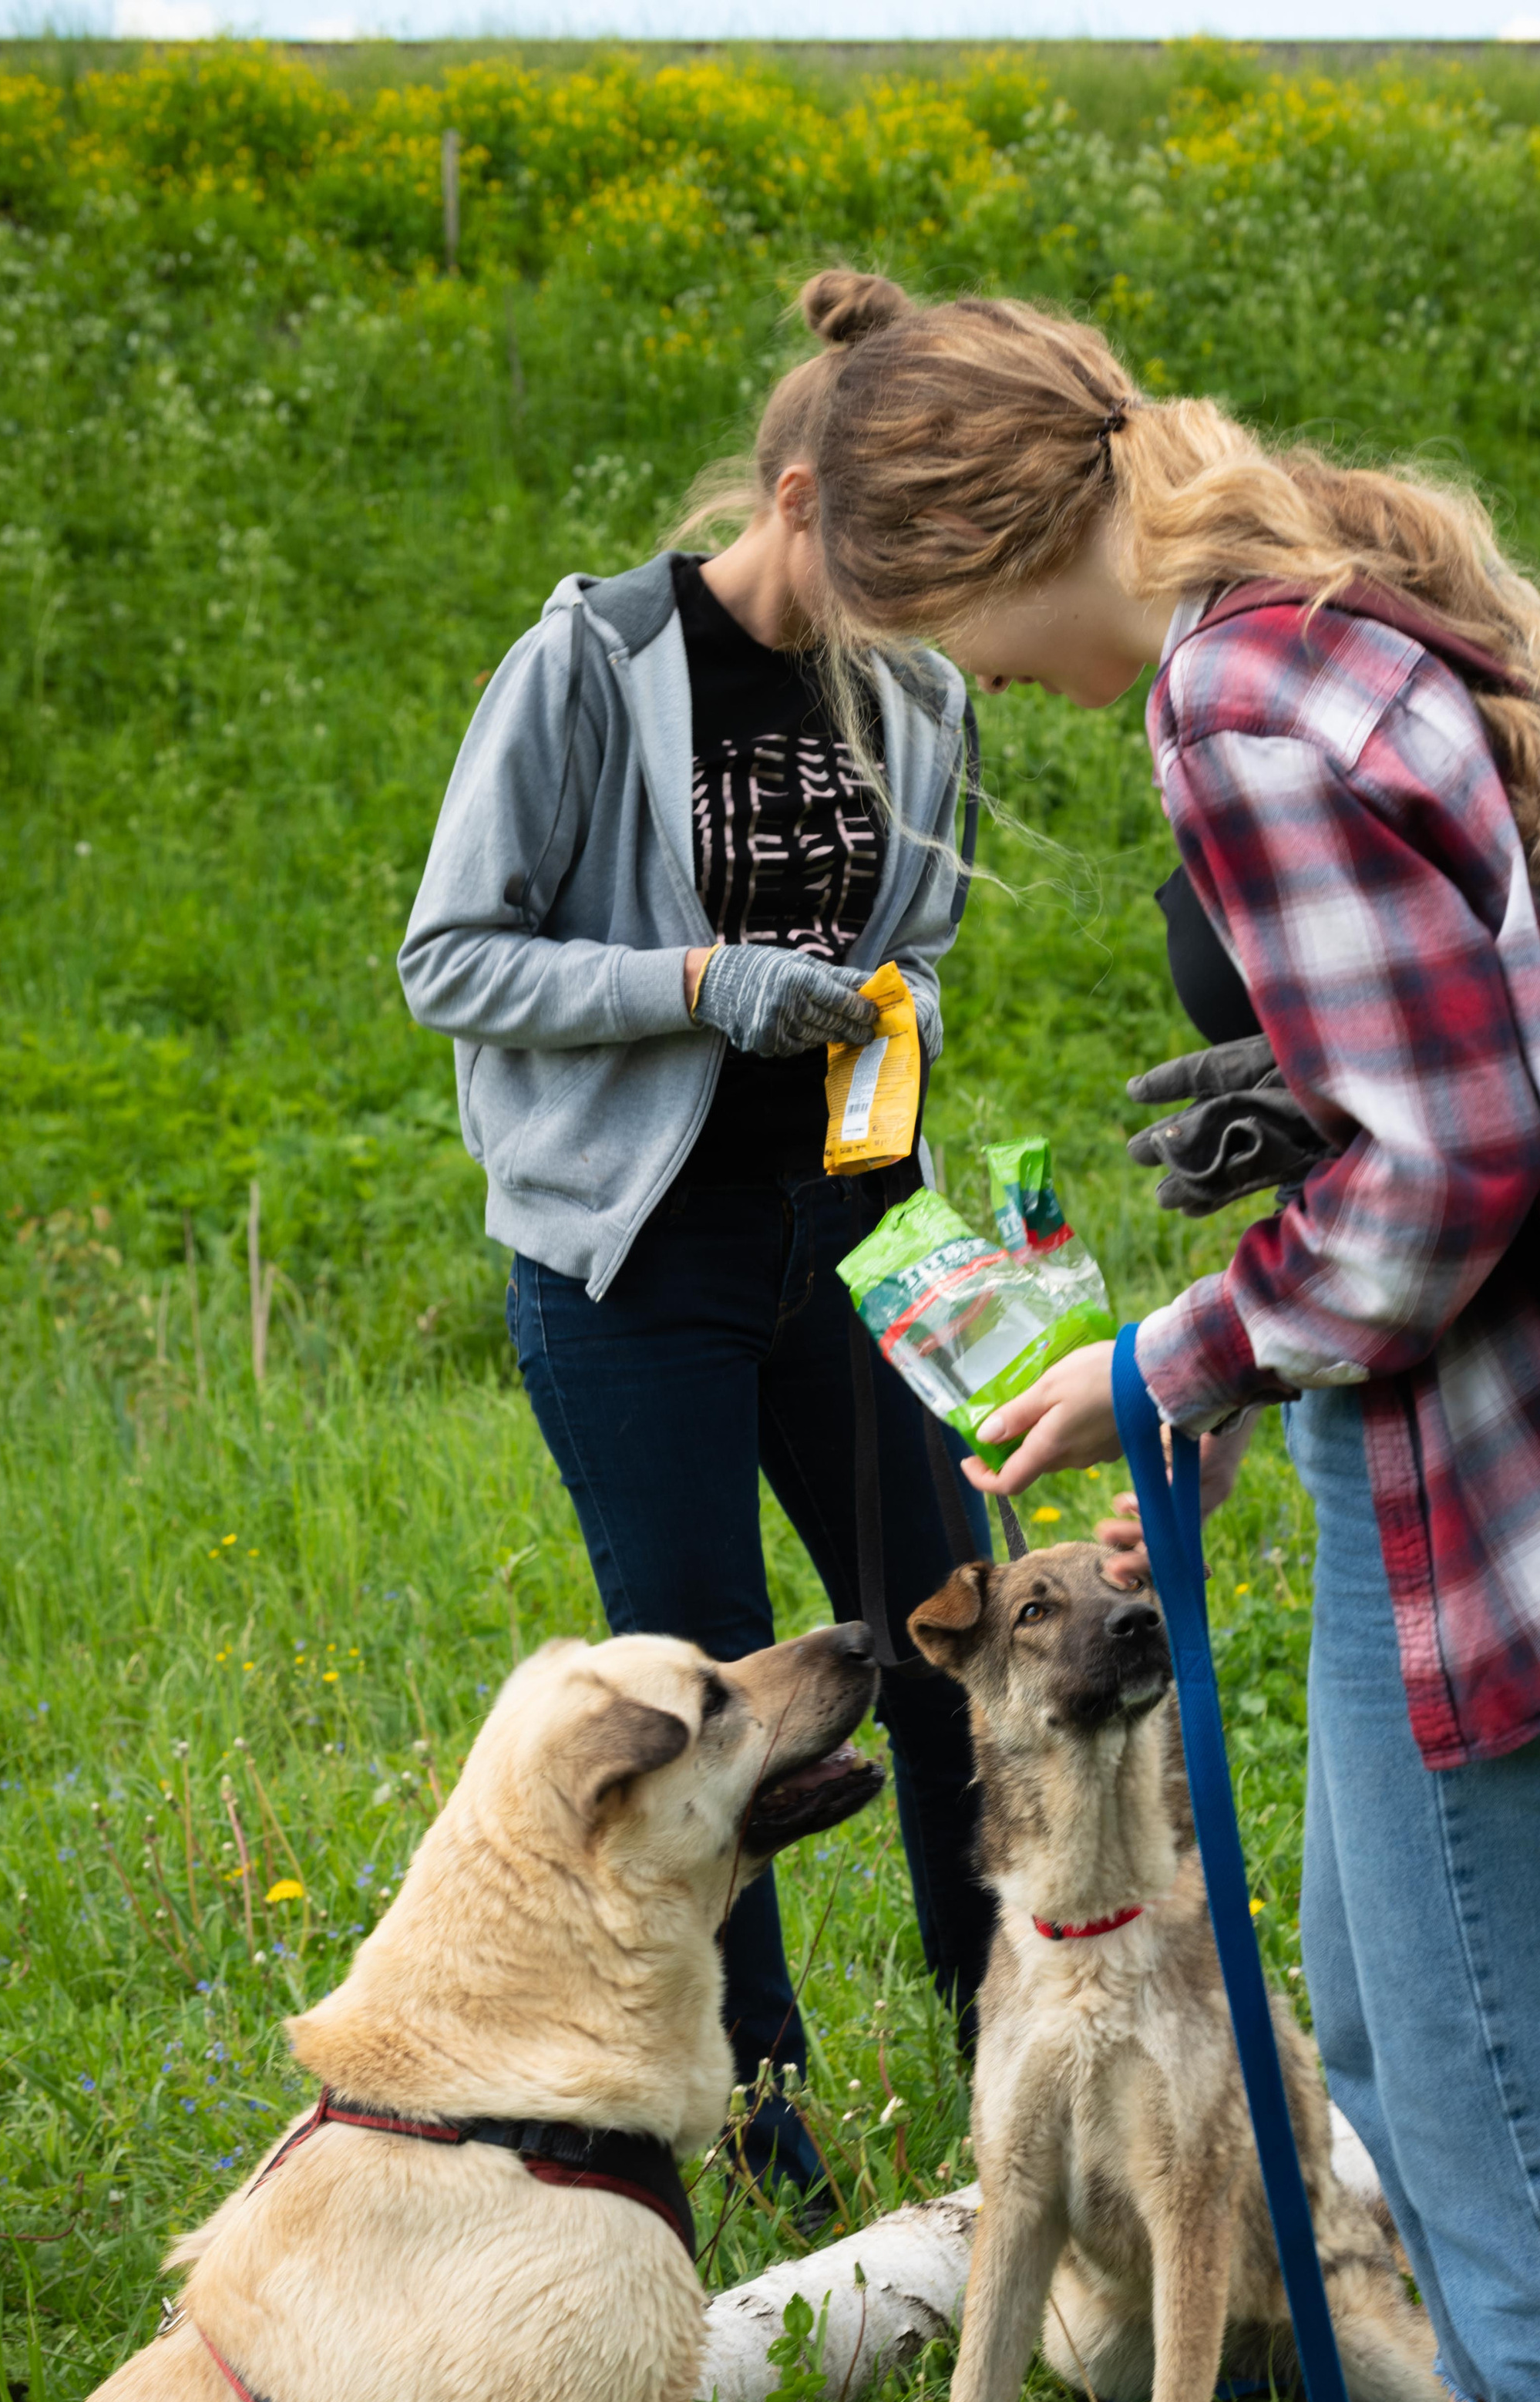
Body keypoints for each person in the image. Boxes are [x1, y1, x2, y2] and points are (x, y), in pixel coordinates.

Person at [793, 270, 1540, 2402]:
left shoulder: (1236, 702)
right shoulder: (1329, 618)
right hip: (1470, 1457)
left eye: (947, 648)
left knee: (1505, 2107)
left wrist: (1174, 1349)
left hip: (1500, 1488)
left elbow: (1450, 1176)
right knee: (1378, 2005)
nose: (984, 701)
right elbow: (1459, 1071)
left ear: (986, 561)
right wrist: (1287, 1170)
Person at [398, 272, 996, 2206]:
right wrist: (693, 982)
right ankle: (767, 2137)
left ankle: (1019, 2064)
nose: (918, 612)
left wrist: (890, 1000)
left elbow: (923, 923)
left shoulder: (921, 684)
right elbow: (452, 958)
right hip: (631, 1266)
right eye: (892, 557)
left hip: (844, 1247)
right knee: (710, 1711)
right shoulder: (588, 664)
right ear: (799, 496)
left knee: (950, 1639)